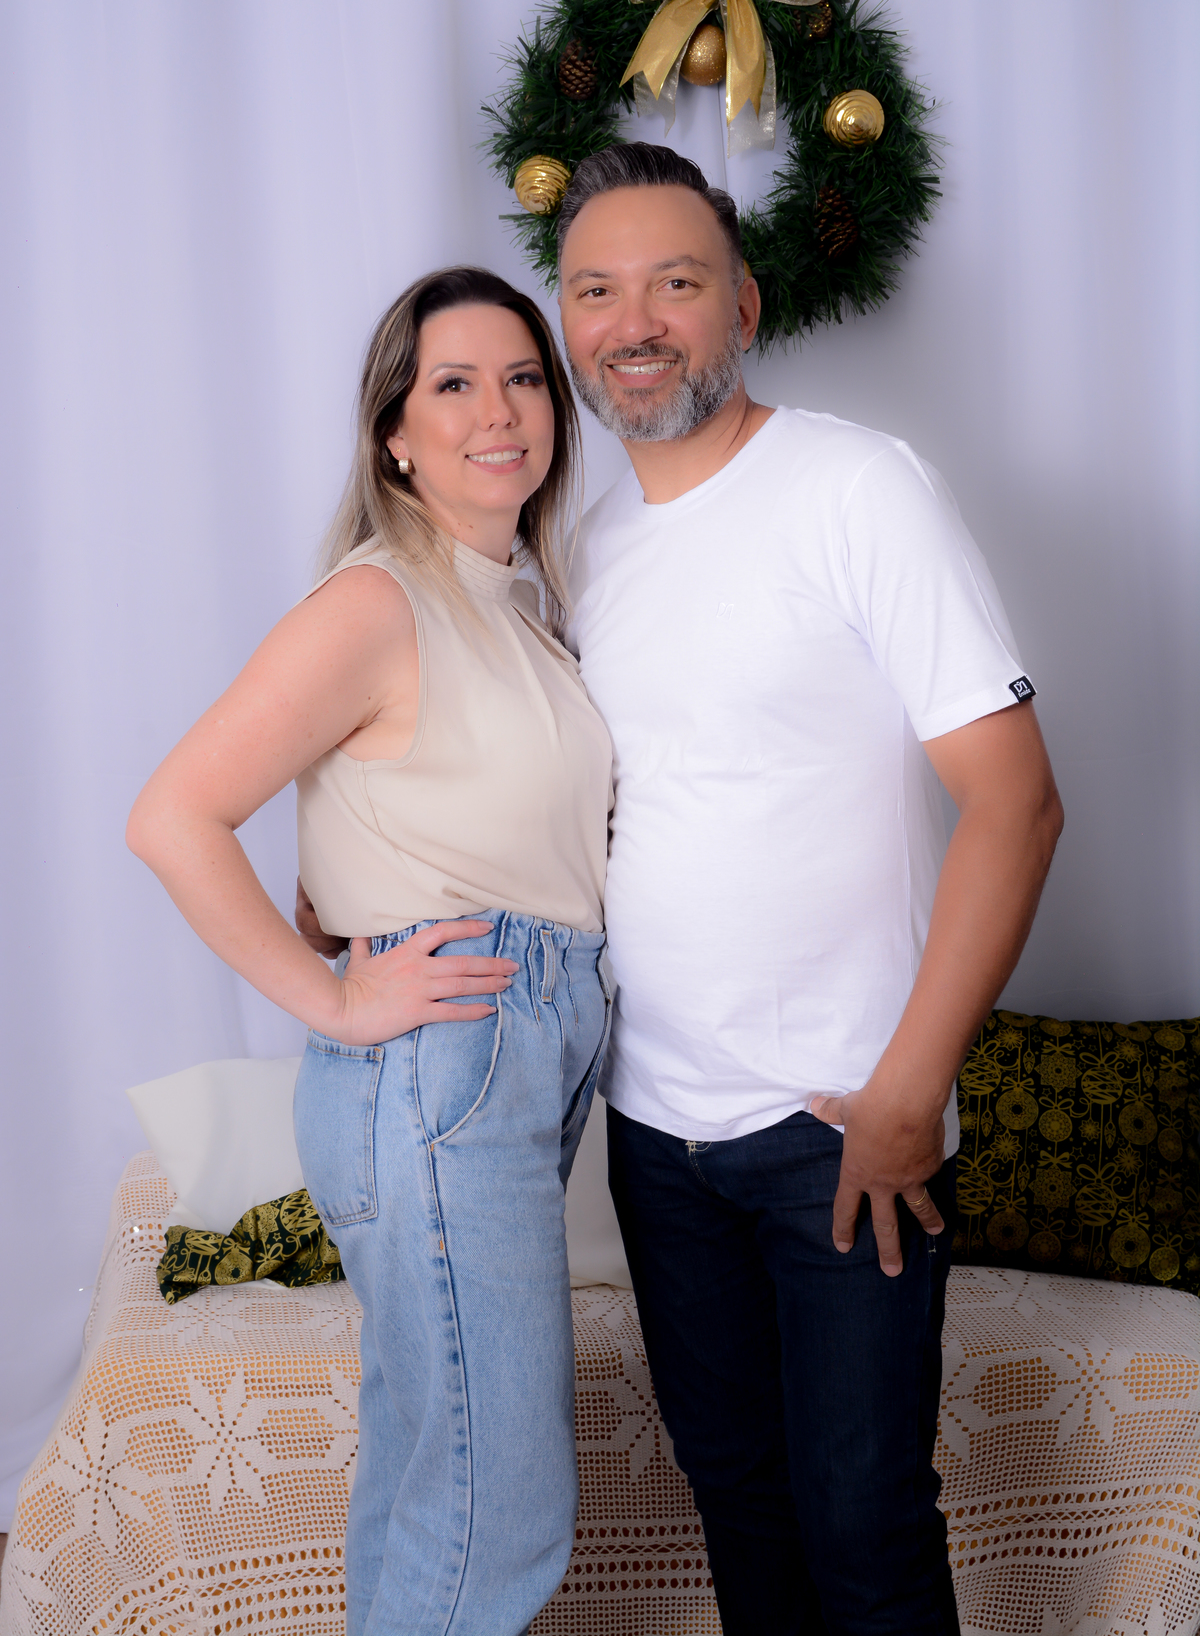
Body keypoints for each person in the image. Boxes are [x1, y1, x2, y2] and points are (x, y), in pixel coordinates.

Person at [555, 142, 1064, 1636]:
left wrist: (913, 1087)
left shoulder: (855, 487)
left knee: (863, 1527)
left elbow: (1017, 803)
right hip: (658, 1129)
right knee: (739, 1500)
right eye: (596, 290)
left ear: (744, 308)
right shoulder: (585, 546)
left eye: (675, 283)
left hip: (843, 1121)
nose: (634, 323)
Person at [127, 266, 615, 1636]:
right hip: (442, 1067)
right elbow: (173, 816)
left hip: (501, 1058)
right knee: (495, 1506)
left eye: (523, 378)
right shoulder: (380, 600)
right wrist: (336, 1000)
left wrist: (337, 896)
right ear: (395, 433)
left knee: (439, 1474)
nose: (499, 410)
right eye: (453, 384)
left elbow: (408, 804)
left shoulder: (514, 606)